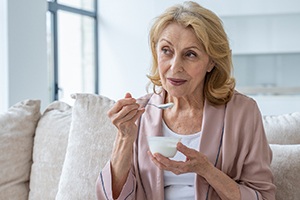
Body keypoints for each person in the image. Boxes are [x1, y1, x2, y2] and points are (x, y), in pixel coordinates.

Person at [96, 1, 276, 199]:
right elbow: (111, 196)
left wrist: (206, 170)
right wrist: (124, 137)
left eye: (190, 54)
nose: (175, 67)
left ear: (212, 62)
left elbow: (262, 196)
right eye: (166, 50)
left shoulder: (242, 112)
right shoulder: (140, 113)